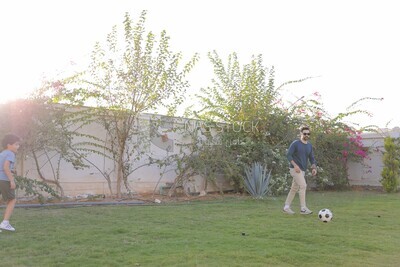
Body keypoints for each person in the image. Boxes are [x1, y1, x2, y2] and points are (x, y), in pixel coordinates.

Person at [283, 125, 317, 215]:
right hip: (294, 169)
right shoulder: (295, 143)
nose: (306, 135)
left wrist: (314, 167)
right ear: (301, 133)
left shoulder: (309, 145)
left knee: (294, 188)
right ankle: (303, 208)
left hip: (302, 170)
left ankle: (286, 207)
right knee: (303, 185)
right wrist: (295, 166)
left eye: (308, 133)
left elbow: (312, 158)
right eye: (305, 133)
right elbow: (288, 155)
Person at [0, 134, 21, 231]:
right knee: (12, 200)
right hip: (4, 180)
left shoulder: (2, 153)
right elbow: (5, 167)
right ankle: (5, 223)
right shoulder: (10, 154)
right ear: (9, 145)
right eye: (16, 144)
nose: (18, 146)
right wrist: (12, 180)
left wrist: (12, 171)